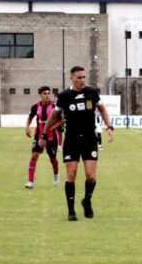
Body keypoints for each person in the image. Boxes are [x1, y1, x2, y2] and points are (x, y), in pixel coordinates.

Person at [45, 66, 114, 221]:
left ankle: (87, 200)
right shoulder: (64, 96)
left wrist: (109, 126)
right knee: (71, 174)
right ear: (72, 78)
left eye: (84, 77)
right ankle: (71, 211)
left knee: (91, 176)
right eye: (79, 77)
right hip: (71, 140)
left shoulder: (92, 92)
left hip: (89, 139)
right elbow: (54, 116)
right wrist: (44, 132)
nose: (82, 80)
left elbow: (102, 109)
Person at [24, 86, 61, 189]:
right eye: (44, 93)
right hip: (38, 135)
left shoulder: (55, 106)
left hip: (51, 136)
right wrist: (27, 127)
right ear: (40, 95)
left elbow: (62, 120)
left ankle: (56, 176)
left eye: (48, 93)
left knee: (53, 159)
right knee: (34, 156)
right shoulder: (35, 107)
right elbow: (30, 117)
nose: (47, 95)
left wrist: (53, 126)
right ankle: (30, 182)